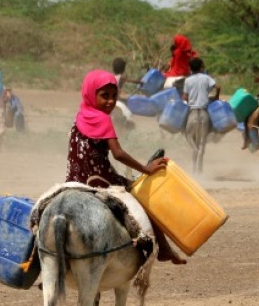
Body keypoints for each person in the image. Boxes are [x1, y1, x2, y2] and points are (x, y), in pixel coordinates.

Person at [67, 69, 186, 264]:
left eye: (114, 96)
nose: (111, 102)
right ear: (92, 94)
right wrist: (146, 169)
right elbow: (118, 153)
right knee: (144, 201)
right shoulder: (103, 119)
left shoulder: (80, 115)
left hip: (73, 178)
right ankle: (164, 249)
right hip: (100, 178)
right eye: (104, 96)